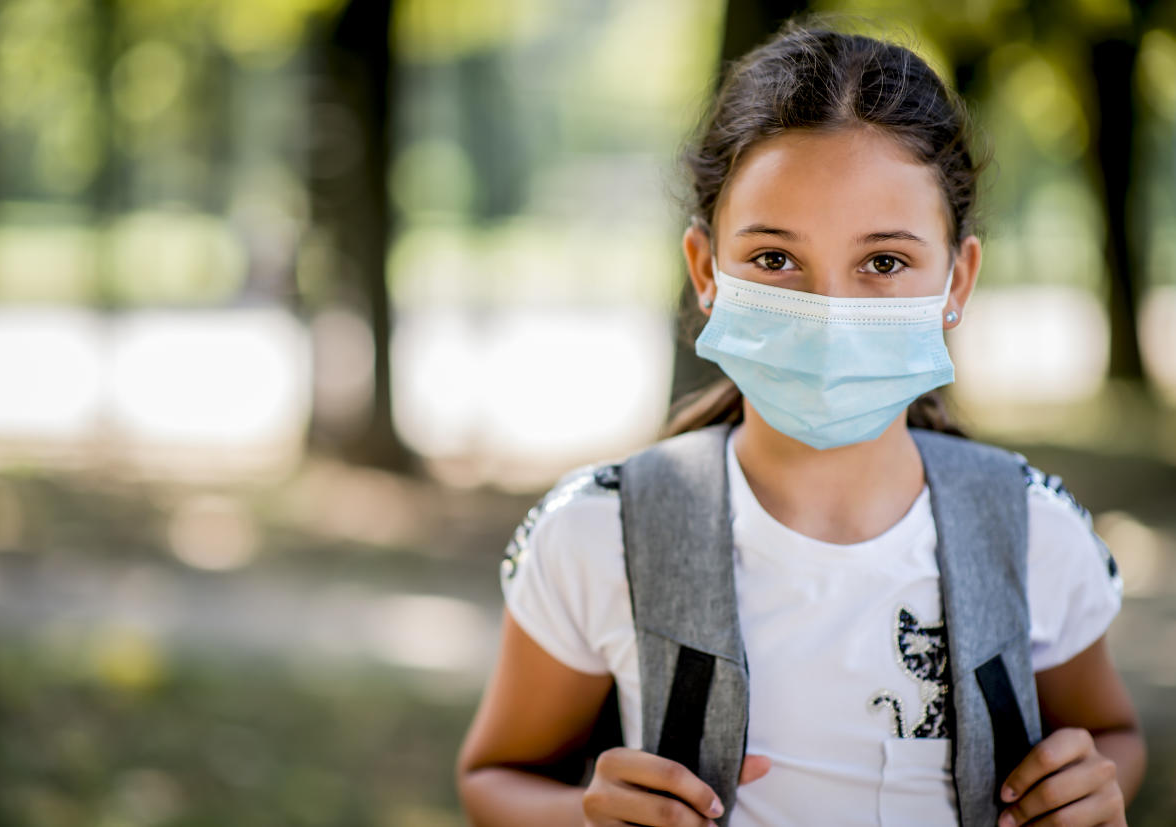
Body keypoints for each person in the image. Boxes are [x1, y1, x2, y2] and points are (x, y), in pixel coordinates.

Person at [455, 16, 1145, 827]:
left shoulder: (1033, 533)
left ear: (956, 280)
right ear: (706, 270)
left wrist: (1098, 783)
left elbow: (1112, 734)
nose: (827, 312)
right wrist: (583, 817)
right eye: (776, 260)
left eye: (883, 263)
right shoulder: (598, 538)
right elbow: (495, 775)